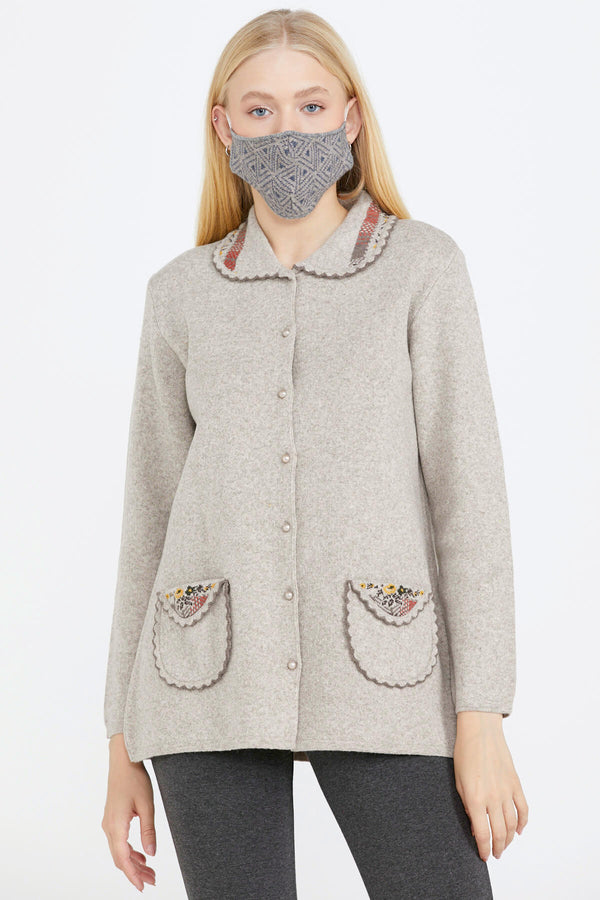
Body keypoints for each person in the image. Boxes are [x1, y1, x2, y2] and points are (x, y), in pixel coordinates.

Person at [101, 9, 528, 898]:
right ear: (224, 126)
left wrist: (481, 714)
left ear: (351, 117)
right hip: (202, 678)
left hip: (388, 668)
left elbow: (471, 502)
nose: (285, 130)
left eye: (310, 105)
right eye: (259, 110)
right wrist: (119, 743)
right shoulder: (180, 295)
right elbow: (149, 517)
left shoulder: (421, 270)